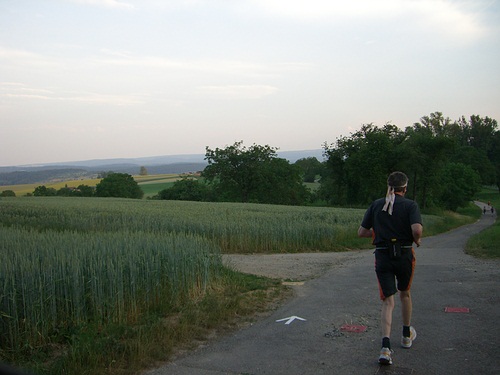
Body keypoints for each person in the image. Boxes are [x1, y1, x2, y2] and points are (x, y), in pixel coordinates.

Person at [358, 171, 423, 366]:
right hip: (403, 254)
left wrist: (378, 233)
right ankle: (405, 335)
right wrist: (417, 240)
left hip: (383, 255)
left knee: (388, 301)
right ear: (404, 188)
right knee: (405, 293)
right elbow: (417, 229)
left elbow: (361, 232)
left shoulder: (377, 205)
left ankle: (385, 349)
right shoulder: (411, 205)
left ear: (389, 186)